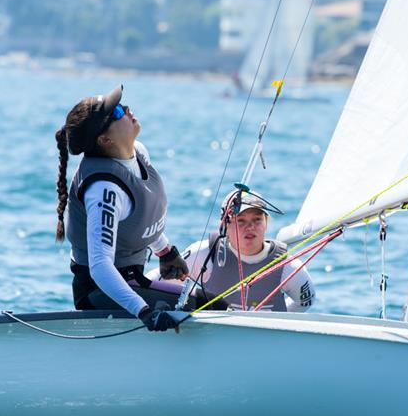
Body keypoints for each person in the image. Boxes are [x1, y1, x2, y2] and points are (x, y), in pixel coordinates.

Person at [53, 84, 189, 332]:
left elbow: (139, 215)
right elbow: (100, 266)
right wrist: (144, 312)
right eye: (116, 112)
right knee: (206, 303)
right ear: (105, 140)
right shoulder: (104, 190)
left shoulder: (137, 153)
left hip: (132, 280)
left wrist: (165, 251)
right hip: (101, 294)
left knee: (207, 299)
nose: (126, 109)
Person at [167, 190, 316, 312]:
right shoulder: (203, 254)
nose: (250, 227)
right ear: (224, 225)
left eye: (257, 219)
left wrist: (276, 322)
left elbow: (305, 302)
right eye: (241, 221)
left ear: (266, 223)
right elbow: (157, 283)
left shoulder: (288, 266)